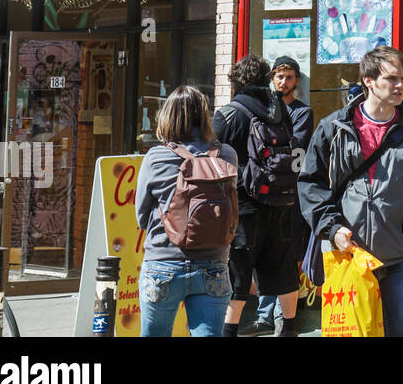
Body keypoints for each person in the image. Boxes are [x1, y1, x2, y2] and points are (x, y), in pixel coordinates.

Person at [299, 45, 403, 337]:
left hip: (400, 261)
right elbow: (311, 187)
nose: (400, 86)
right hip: (347, 259)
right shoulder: (333, 128)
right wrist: (332, 229)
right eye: (391, 79)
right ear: (368, 81)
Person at [134, 86, 238, 337]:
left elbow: (141, 215)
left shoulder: (155, 157)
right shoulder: (226, 155)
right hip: (213, 265)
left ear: (167, 116)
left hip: (163, 264)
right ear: (205, 115)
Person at [212, 55, 300, 336]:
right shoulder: (280, 111)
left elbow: (209, 158)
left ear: (236, 83)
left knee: (239, 269)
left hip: (244, 204)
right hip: (280, 199)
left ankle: (229, 330)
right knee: (282, 266)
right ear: (265, 79)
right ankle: (288, 327)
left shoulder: (229, 114)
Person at [251, 56, 314, 336]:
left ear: (296, 81)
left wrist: (268, 150)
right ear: (271, 79)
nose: (283, 82)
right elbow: (256, 145)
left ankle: (281, 317)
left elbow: (295, 148)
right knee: (266, 250)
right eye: (279, 76)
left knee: (286, 251)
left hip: (290, 191)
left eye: (288, 77)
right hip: (264, 191)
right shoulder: (262, 110)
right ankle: (263, 314)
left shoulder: (302, 113)